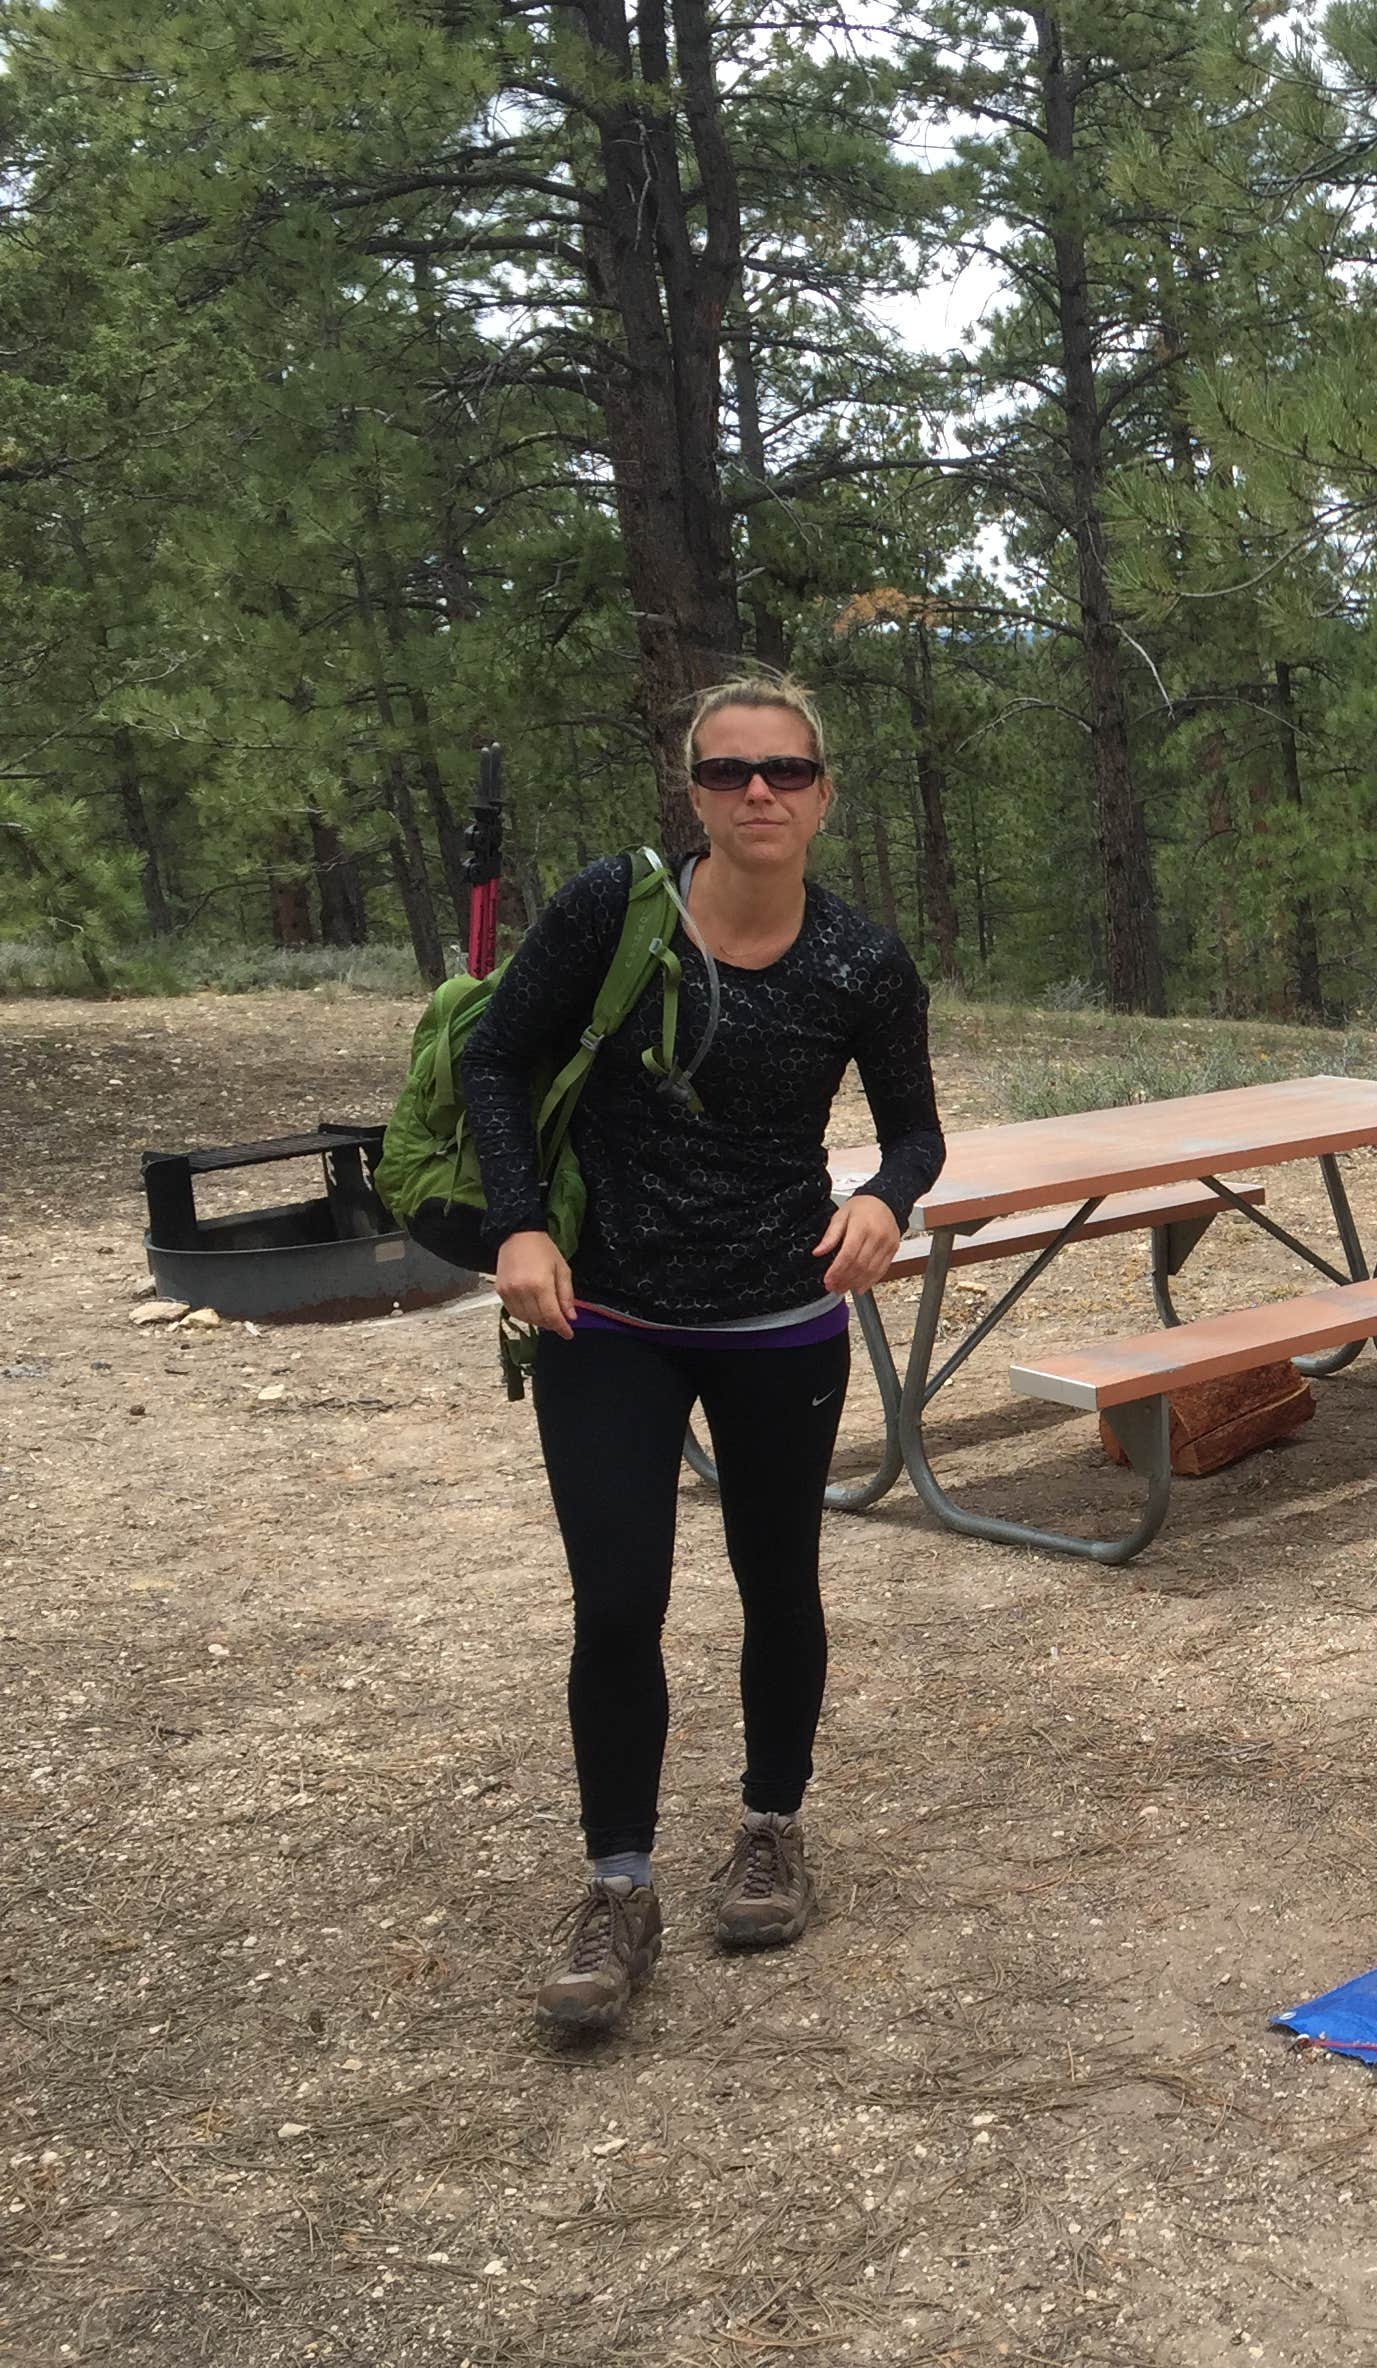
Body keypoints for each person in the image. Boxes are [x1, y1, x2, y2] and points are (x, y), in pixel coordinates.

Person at [458, 674, 944, 2035]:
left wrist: (882, 1201)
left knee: (776, 1579)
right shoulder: (612, 918)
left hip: (778, 1315)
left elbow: (915, 1131)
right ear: (694, 792)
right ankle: (618, 1885)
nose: (759, 796)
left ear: (825, 791)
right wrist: (516, 1228)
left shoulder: (862, 961)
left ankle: (772, 1827)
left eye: (785, 771)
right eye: (729, 774)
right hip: (601, 1314)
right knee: (618, 1601)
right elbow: (498, 1061)